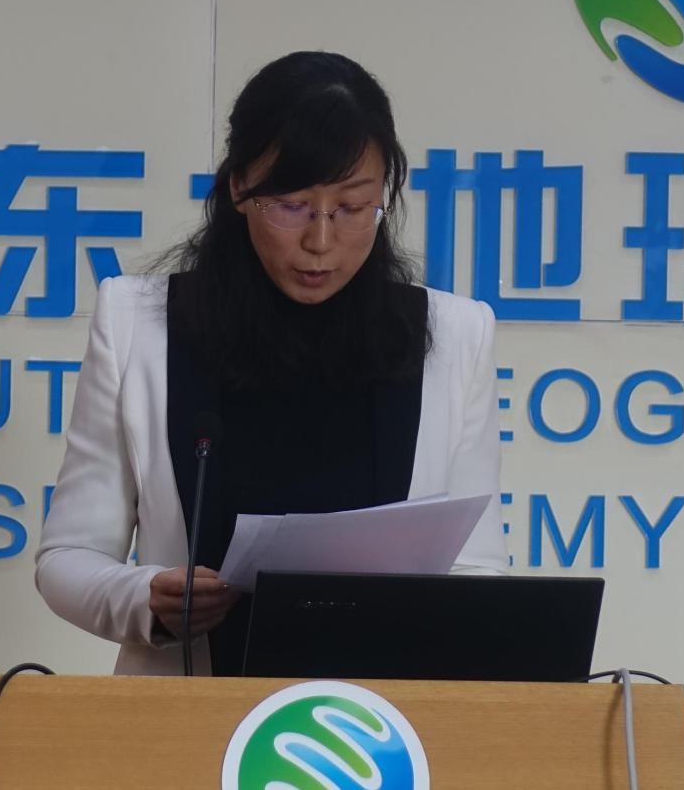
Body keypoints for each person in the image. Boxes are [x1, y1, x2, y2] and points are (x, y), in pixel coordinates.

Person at [35, 50, 507, 675]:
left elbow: (476, 567)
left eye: (352, 207)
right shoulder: (140, 323)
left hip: (380, 716)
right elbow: (67, 557)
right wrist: (143, 597)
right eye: (290, 205)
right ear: (239, 186)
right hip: (187, 711)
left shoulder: (453, 334)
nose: (320, 240)